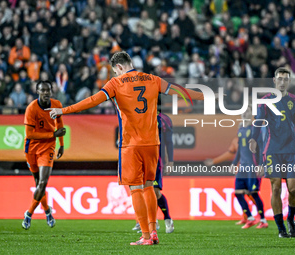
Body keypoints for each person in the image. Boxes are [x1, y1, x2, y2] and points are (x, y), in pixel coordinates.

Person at [47, 51, 204, 245]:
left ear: (119, 67)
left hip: (131, 144)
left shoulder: (116, 84)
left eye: (115, 71)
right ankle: (154, 231)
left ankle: (146, 236)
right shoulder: (153, 79)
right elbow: (179, 91)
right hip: (153, 143)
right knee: (149, 186)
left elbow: (92, 101)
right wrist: (205, 96)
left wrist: (63, 110)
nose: (115, 75)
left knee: (136, 189)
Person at [249, 67, 295, 238]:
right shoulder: (265, 101)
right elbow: (258, 121)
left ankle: (291, 219)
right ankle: (281, 228)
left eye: (285, 79)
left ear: (289, 81)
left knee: (293, 189)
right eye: (279, 79)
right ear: (274, 81)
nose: (282, 82)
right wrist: (253, 138)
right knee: (275, 188)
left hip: (291, 150)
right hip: (272, 150)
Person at [22, 80, 66, 230]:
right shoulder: (31, 109)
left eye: (48, 90)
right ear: (37, 91)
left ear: (51, 91)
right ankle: (47, 211)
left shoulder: (57, 105)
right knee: (38, 184)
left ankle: (28, 214)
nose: (46, 93)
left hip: (48, 147)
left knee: (42, 183)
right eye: (43, 90)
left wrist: (61, 143)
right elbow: (29, 134)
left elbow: (59, 125)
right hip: (32, 149)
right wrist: (53, 134)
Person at [132, 112, 174, 234]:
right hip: (140, 159)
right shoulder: (138, 116)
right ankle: (149, 222)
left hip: (156, 160)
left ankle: (167, 218)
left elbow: (169, 141)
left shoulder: (163, 119)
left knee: (155, 191)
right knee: (141, 189)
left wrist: (170, 161)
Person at [204, 136, 258, 225]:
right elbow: (231, 153)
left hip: (250, 170)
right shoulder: (236, 140)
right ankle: (247, 216)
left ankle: (261, 215)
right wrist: (214, 161)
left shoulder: (254, 139)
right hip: (240, 171)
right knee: (240, 193)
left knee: (251, 193)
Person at [230, 107, 268, 229]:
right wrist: (234, 163)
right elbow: (240, 150)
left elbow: (261, 147)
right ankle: (250, 218)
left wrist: (261, 165)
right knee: (238, 193)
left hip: (253, 166)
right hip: (243, 167)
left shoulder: (255, 129)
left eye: (247, 112)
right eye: (243, 112)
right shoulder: (241, 130)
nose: (244, 114)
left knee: (254, 193)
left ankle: (263, 220)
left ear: (251, 114)